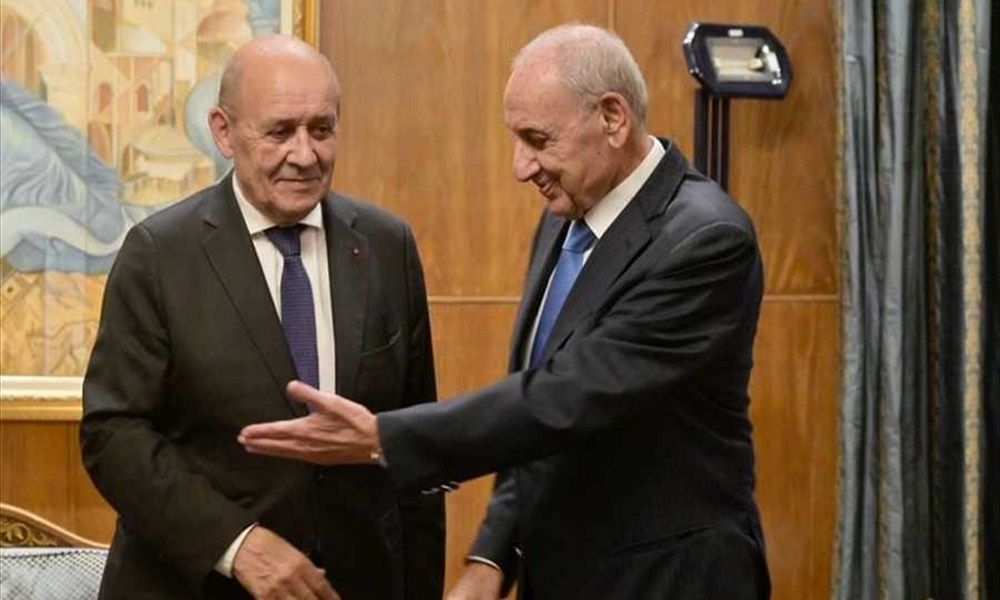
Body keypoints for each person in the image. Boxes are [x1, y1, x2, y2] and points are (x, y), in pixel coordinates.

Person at [241, 24, 770, 600]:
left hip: (671, 579)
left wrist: (383, 437)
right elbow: (537, 406)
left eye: (537, 140)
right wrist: (493, 554)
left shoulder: (704, 239)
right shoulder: (567, 217)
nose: (521, 166)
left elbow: (569, 396)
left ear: (613, 118)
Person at [80, 35, 444, 600]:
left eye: (321, 129)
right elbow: (113, 434)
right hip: (198, 585)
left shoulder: (384, 245)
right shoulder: (159, 253)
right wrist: (237, 544)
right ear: (223, 132)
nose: (305, 154)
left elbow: (415, 439)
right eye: (280, 132)